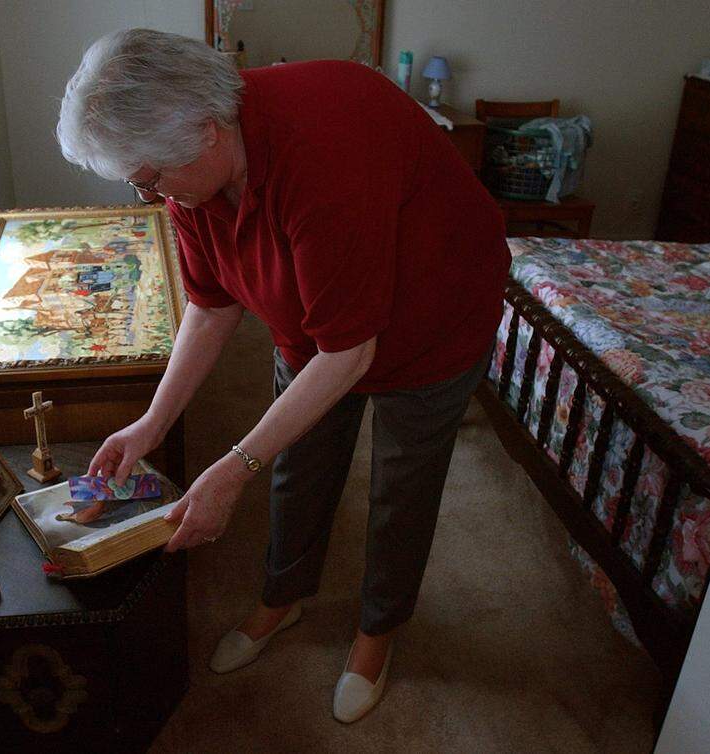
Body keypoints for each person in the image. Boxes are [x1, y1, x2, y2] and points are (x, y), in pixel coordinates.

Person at [57, 29, 510, 723]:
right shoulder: (190, 184)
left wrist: (231, 467)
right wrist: (153, 422)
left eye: (147, 177)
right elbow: (211, 308)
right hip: (319, 321)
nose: (147, 195)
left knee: (401, 486)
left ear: (205, 132)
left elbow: (351, 353)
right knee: (298, 465)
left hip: (433, 314)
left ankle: (375, 633)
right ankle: (282, 599)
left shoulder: (325, 160)